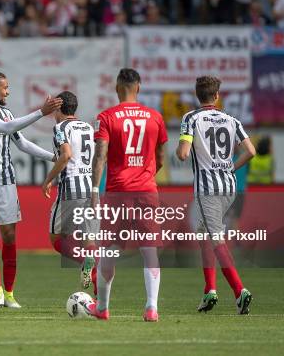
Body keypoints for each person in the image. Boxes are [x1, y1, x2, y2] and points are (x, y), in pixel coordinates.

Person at [0, 71, 62, 308]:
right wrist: (41, 112)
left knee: (10, 236)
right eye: (5, 87)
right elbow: (6, 128)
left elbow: (21, 142)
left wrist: (53, 157)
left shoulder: (7, 113)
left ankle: (10, 294)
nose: (7, 91)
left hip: (6, 181)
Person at [87, 68, 168, 322]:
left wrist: (93, 190)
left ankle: (102, 308)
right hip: (146, 190)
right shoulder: (155, 117)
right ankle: (151, 308)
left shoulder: (107, 117)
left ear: (116, 88)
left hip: (117, 192)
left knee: (109, 250)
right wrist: (144, 174)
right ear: (139, 88)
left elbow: (100, 156)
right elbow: (161, 158)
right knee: (149, 251)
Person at [176, 76, 256, 315]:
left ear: (196, 95)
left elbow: (182, 154)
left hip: (208, 189)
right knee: (205, 236)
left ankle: (239, 291)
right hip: (229, 187)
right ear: (217, 96)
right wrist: (231, 167)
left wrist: (182, 147)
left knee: (216, 240)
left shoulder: (190, 118)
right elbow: (250, 151)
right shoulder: (232, 120)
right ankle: (209, 290)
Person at [41, 91, 97, 292]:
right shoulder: (89, 128)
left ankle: (84, 260)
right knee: (88, 238)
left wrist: (48, 180)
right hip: (90, 189)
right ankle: (100, 300)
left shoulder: (60, 128)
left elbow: (65, 155)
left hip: (70, 189)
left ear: (58, 108)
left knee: (56, 239)